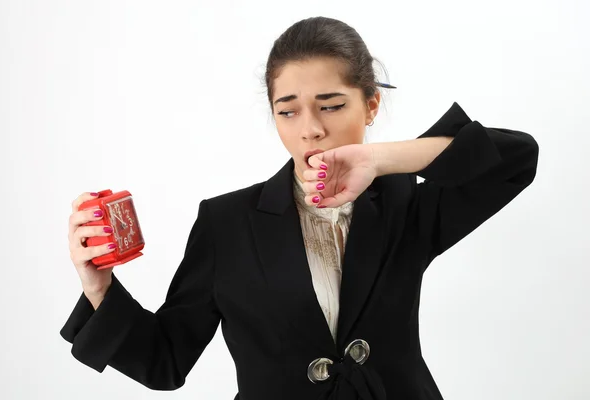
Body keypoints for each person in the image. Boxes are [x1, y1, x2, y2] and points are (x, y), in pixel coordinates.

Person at [61, 16, 539, 400]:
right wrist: (98, 286)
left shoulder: (403, 201)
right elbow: (164, 362)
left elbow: (517, 159)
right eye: (287, 110)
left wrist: (381, 158)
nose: (309, 129)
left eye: (330, 105)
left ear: (371, 106)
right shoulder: (227, 223)